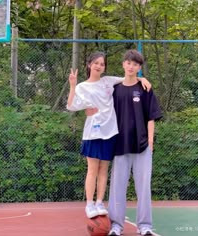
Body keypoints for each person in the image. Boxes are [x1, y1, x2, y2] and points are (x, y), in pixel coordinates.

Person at [66, 51, 151, 219]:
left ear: (104, 67)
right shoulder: (82, 87)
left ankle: (99, 202)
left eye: (102, 64)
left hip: (110, 132)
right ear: (89, 64)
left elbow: (129, 78)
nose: (99, 66)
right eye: (96, 63)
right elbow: (70, 106)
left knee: (104, 169)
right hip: (92, 133)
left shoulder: (108, 82)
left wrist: (143, 79)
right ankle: (89, 204)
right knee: (92, 169)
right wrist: (72, 86)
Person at [107, 50, 162, 236]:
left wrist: (151, 141)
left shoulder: (145, 88)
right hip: (120, 145)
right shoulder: (114, 89)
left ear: (139, 68)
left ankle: (145, 226)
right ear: (123, 64)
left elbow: (151, 117)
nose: (131, 67)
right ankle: (116, 226)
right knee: (117, 188)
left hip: (142, 145)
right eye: (128, 63)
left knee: (144, 187)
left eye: (135, 64)